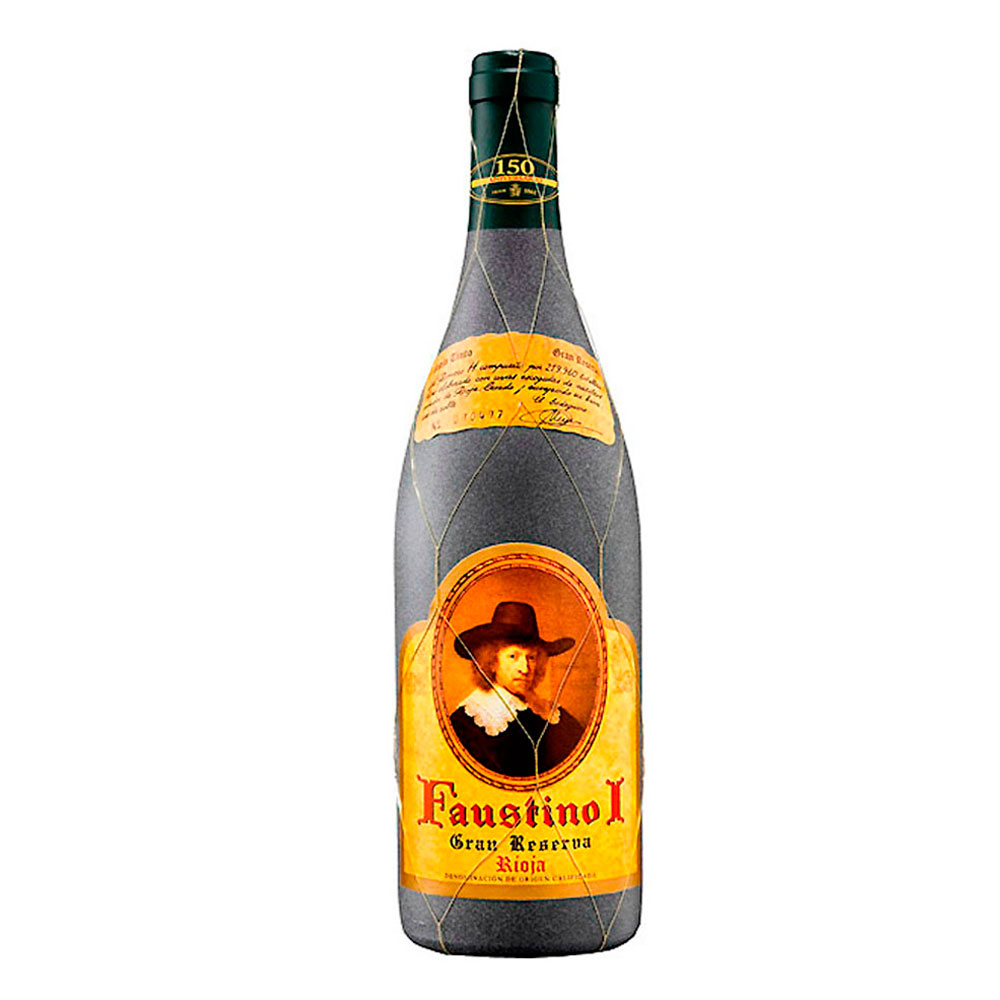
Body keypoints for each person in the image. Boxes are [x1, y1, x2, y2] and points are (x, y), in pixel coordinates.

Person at [449, 601, 583, 778]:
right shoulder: (467, 723)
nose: (525, 669)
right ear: (491, 662)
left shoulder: (553, 715)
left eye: (531, 658)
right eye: (513, 656)